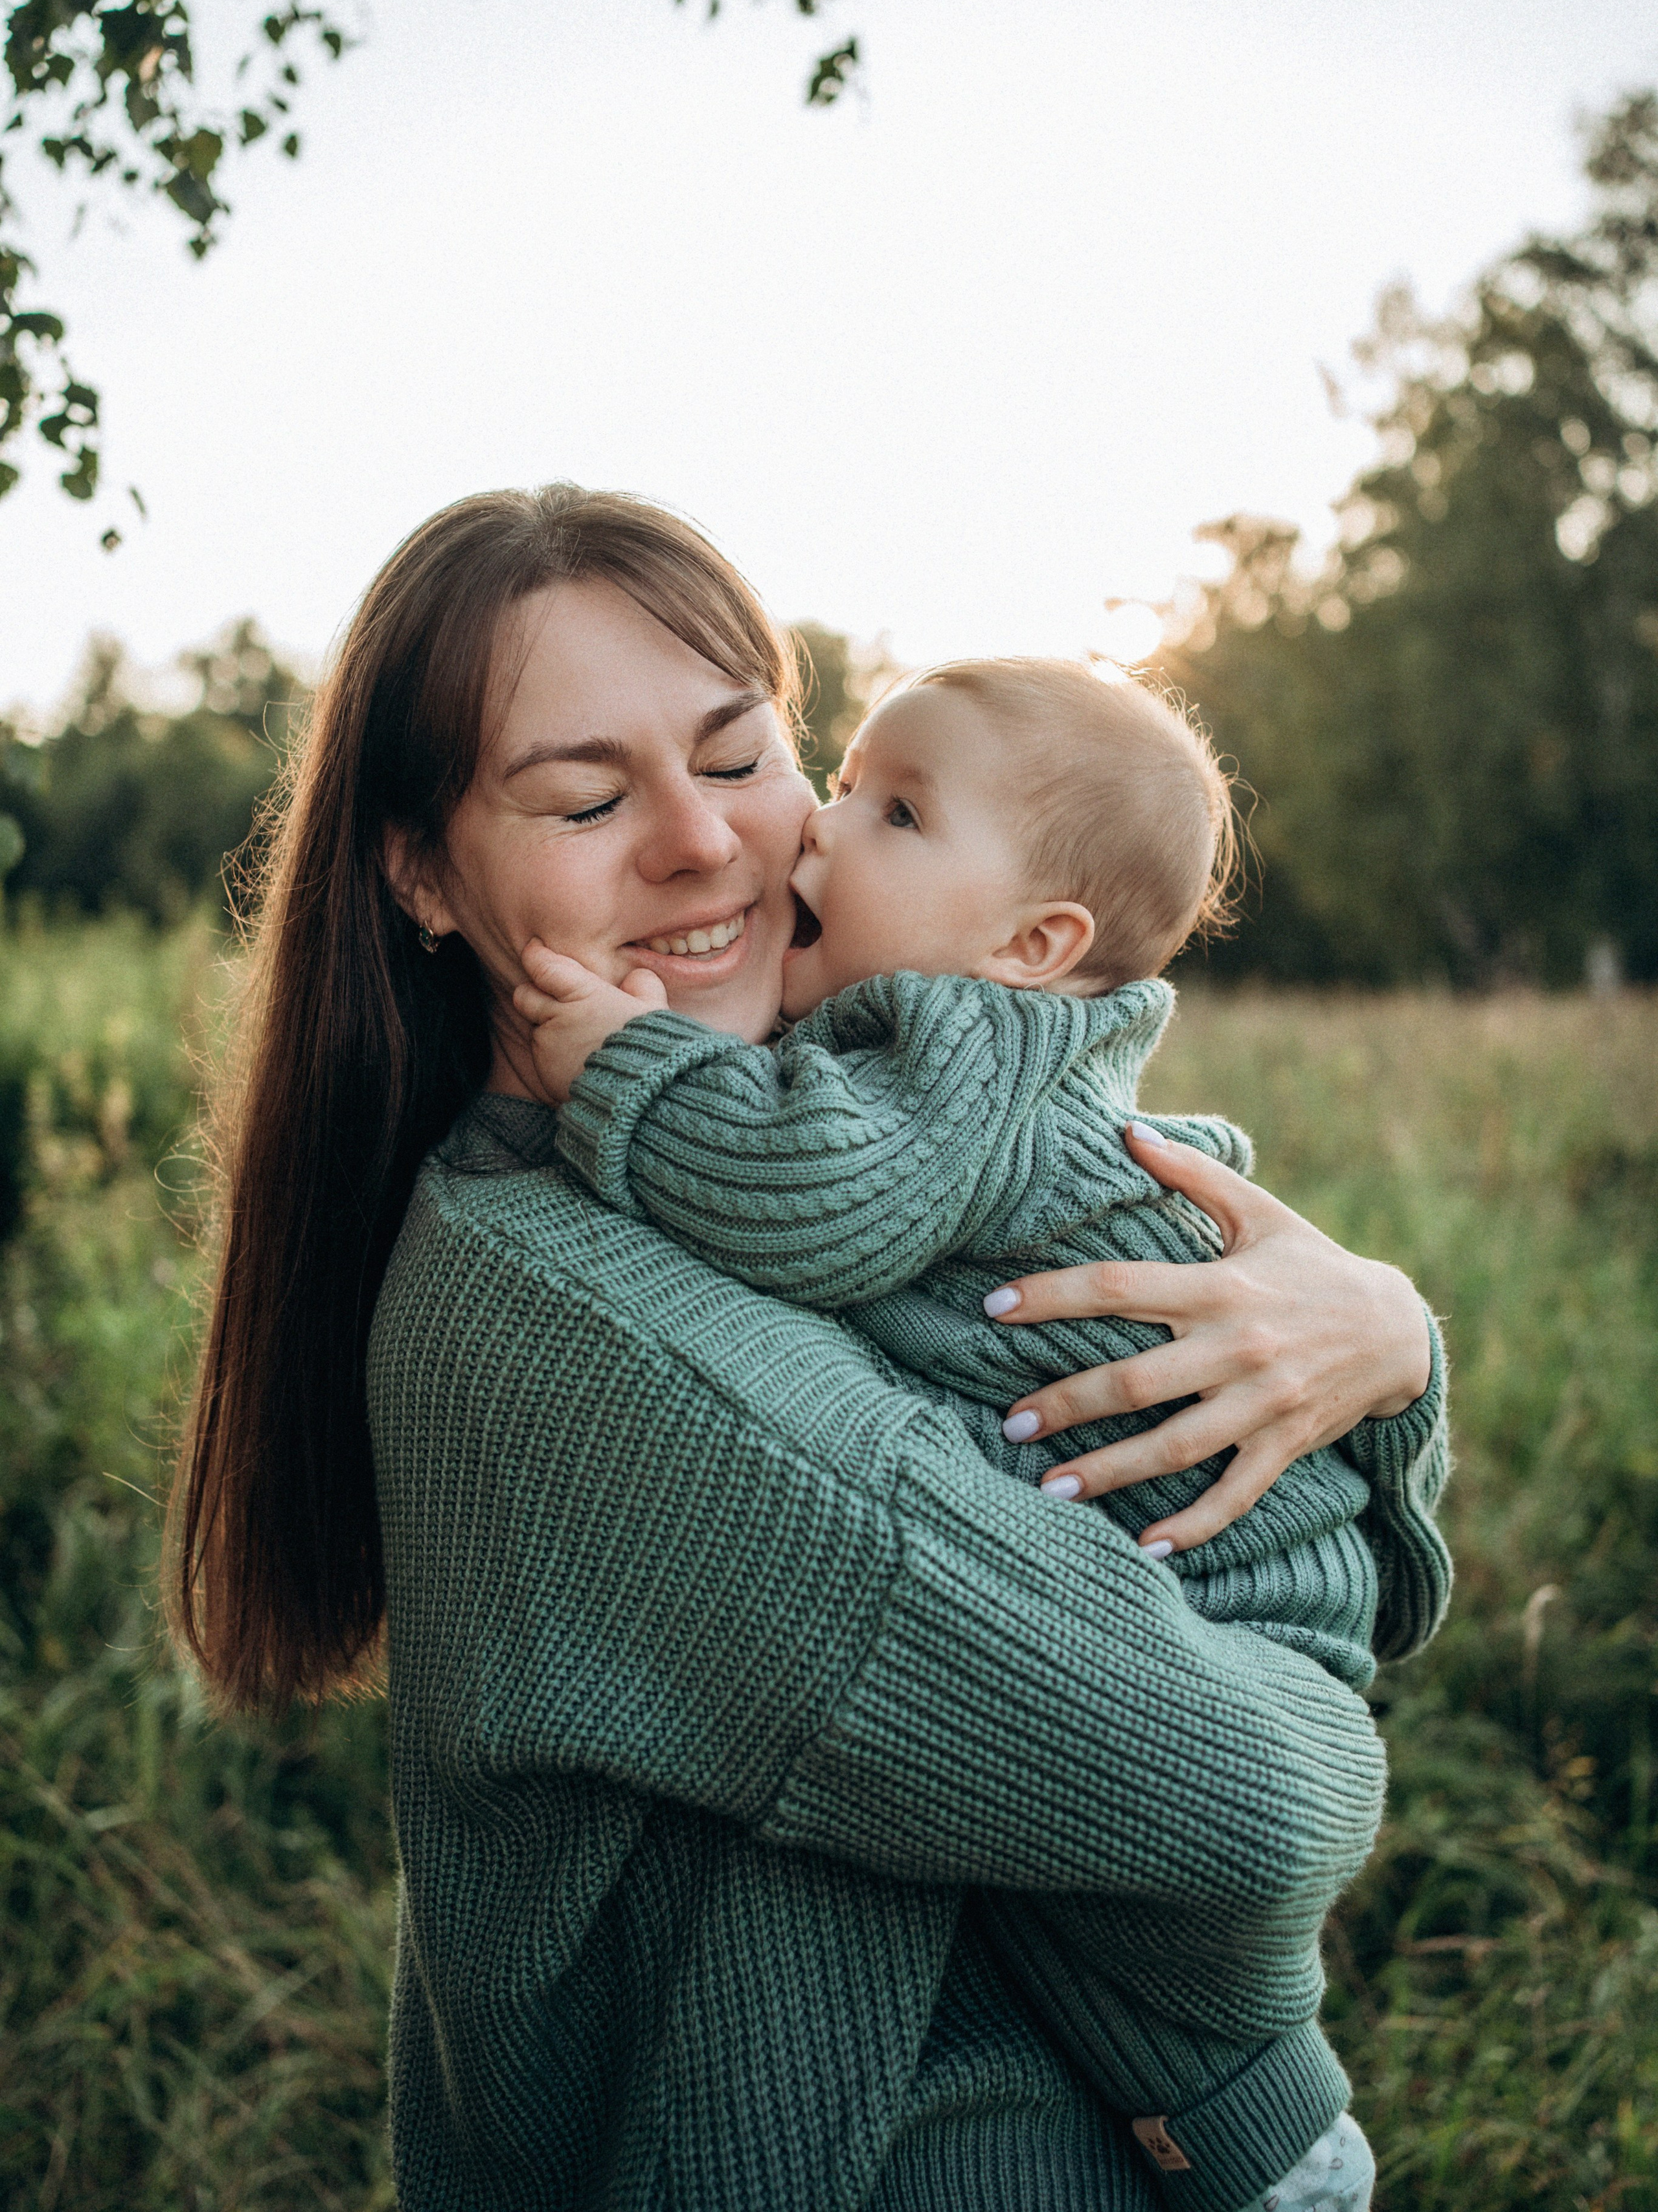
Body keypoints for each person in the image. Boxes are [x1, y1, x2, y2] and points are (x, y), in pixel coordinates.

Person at [169, 485, 1442, 2212]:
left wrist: (1378, 1336)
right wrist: (1318, 1679)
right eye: (586, 798)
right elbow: (1258, 1811)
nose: (703, 843)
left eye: (743, 754)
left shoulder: (810, 1142)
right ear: (419, 875)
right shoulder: (574, 1320)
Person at [506, 653, 1451, 2212]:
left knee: (1142, 1936)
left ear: (1030, 945)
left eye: (896, 812)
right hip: (1204, 1558)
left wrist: (630, 1072)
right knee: (1085, 1917)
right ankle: (1257, 2142)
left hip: (1233, 1580)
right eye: (843, 779)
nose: (819, 829)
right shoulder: (949, 1039)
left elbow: (819, 1204)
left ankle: (1272, 2146)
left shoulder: (964, 1042)